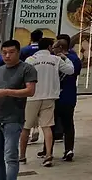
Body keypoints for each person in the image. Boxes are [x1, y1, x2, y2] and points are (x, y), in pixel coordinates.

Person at [0, 39, 38, 180]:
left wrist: (7, 92)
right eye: (4, 53)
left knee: (11, 156)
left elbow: (30, 91)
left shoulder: (27, 69)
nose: (7, 56)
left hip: (13, 119)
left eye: (11, 52)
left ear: (18, 52)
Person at [21, 37, 74, 167]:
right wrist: (65, 58)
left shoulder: (30, 60)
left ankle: (22, 155)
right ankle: (49, 155)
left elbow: (24, 76)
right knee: (47, 126)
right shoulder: (55, 60)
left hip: (32, 97)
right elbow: (70, 70)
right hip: (50, 97)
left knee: (26, 127)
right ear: (50, 47)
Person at [51, 35, 81, 162]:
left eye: (54, 47)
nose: (52, 50)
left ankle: (48, 150)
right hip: (70, 96)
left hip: (55, 96)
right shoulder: (76, 59)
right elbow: (77, 72)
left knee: (51, 125)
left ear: (60, 47)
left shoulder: (54, 59)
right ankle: (69, 149)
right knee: (69, 124)